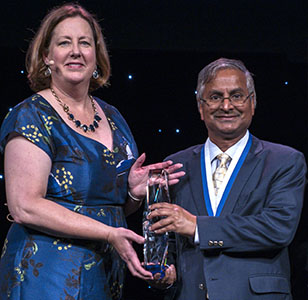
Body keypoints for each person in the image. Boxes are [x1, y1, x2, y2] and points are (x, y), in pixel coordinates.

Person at [0, 3, 184, 300]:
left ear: (96, 56)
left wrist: (133, 193)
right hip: (47, 273)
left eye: (85, 43)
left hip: (105, 271)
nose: (76, 51)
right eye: (64, 43)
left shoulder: (113, 117)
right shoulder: (31, 114)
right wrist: (108, 233)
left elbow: (111, 207)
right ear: (47, 57)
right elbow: (24, 206)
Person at [148, 58, 307, 299]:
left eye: (236, 95)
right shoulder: (175, 165)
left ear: (252, 103)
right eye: (214, 97)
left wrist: (198, 227)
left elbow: (278, 227)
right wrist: (165, 271)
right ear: (201, 108)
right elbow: (167, 236)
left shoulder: (284, 161)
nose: (226, 105)